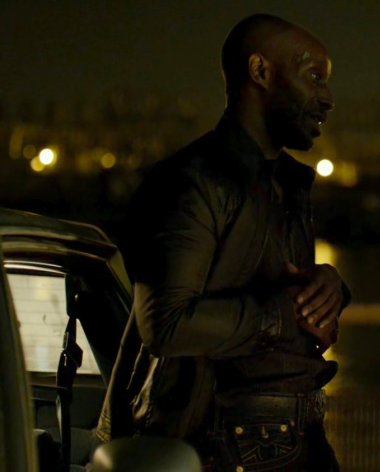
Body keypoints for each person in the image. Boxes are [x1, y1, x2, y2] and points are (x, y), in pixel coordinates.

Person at [95, 14, 348, 471]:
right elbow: (166, 325)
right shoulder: (191, 182)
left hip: (291, 438)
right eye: (314, 77)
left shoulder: (286, 185)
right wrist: (285, 315)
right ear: (260, 71)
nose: (327, 98)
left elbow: (285, 303)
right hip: (223, 446)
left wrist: (327, 291)